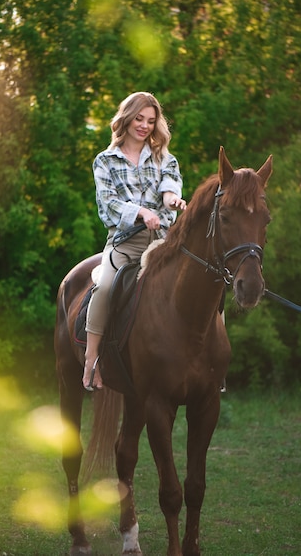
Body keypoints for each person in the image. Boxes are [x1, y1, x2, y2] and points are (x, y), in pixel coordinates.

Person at [83, 92, 187, 390]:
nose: (144, 126)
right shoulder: (105, 161)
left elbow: (169, 188)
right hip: (126, 243)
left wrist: (172, 201)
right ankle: (92, 360)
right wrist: (141, 212)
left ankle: (213, 363)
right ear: (127, 118)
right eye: (139, 119)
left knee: (206, 279)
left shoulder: (164, 159)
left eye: (151, 121)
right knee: (103, 287)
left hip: (164, 243)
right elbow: (108, 206)